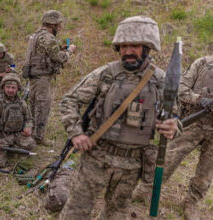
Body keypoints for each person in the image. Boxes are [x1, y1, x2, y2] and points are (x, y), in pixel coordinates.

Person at [58, 16, 180, 220]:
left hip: (132, 165)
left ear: (148, 47)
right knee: (76, 212)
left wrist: (173, 126)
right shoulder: (106, 74)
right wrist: (76, 134)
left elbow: (174, 116)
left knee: (116, 215)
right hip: (97, 157)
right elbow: (69, 100)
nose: (128, 51)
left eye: (134, 45)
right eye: (123, 46)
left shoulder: (161, 81)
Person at [133, 56, 213, 220]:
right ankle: (146, 190)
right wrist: (200, 99)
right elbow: (181, 89)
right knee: (168, 158)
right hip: (192, 122)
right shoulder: (203, 63)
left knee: (206, 172)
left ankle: (191, 203)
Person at [23, 10, 76, 146]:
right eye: (58, 24)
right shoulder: (48, 38)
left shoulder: (35, 36)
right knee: (42, 107)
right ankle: (39, 137)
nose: (60, 27)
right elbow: (58, 57)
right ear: (52, 24)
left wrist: (60, 48)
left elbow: (43, 53)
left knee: (33, 106)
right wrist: (69, 51)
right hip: (42, 78)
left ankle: (32, 133)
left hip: (33, 77)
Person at [0, 74, 36, 168]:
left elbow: (29, 119)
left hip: (17, 135)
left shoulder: (22, 103)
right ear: (3, 88)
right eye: (8, 87)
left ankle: (10, 148)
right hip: (0, 137)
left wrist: (28, 127)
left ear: (18, 88)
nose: (10, 90)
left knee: (30, 144)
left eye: (13, 87)